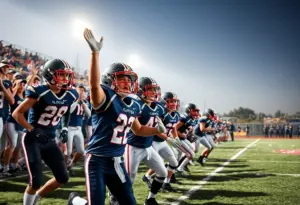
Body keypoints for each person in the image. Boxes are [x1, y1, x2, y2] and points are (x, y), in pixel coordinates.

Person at [68, 29, 166, 205]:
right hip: (97, 160)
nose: (127, 83)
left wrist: (156, 130)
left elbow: (139, 129)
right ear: (109, 80)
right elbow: (94, 85)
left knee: (129, 202)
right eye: (122, 78)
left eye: (129, 79)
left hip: (117, 162)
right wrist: (95, 53)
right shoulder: (105, 96)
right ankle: (75, 201)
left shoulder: (135, 104)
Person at [13, 59, 78, 205]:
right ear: (49, 75)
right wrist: (32, 130)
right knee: (35, 181)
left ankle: (36, 197)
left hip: (49, 139)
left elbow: (66, 111)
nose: (65, 79)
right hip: (33, 138)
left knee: (63, 177)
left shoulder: (71, 94)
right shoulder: (39, 91)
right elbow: (17, 113)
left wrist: (65, 127)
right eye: (61, 75)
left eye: (67, 76)